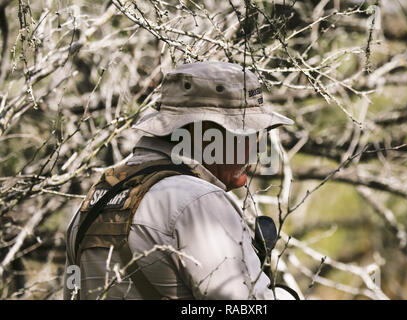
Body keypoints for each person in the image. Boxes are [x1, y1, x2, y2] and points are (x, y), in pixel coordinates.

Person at [63, 61, 295, 300]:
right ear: (205, 133)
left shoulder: (93, 202)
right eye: (248, 133)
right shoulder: (199, 202)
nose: (255, 148)